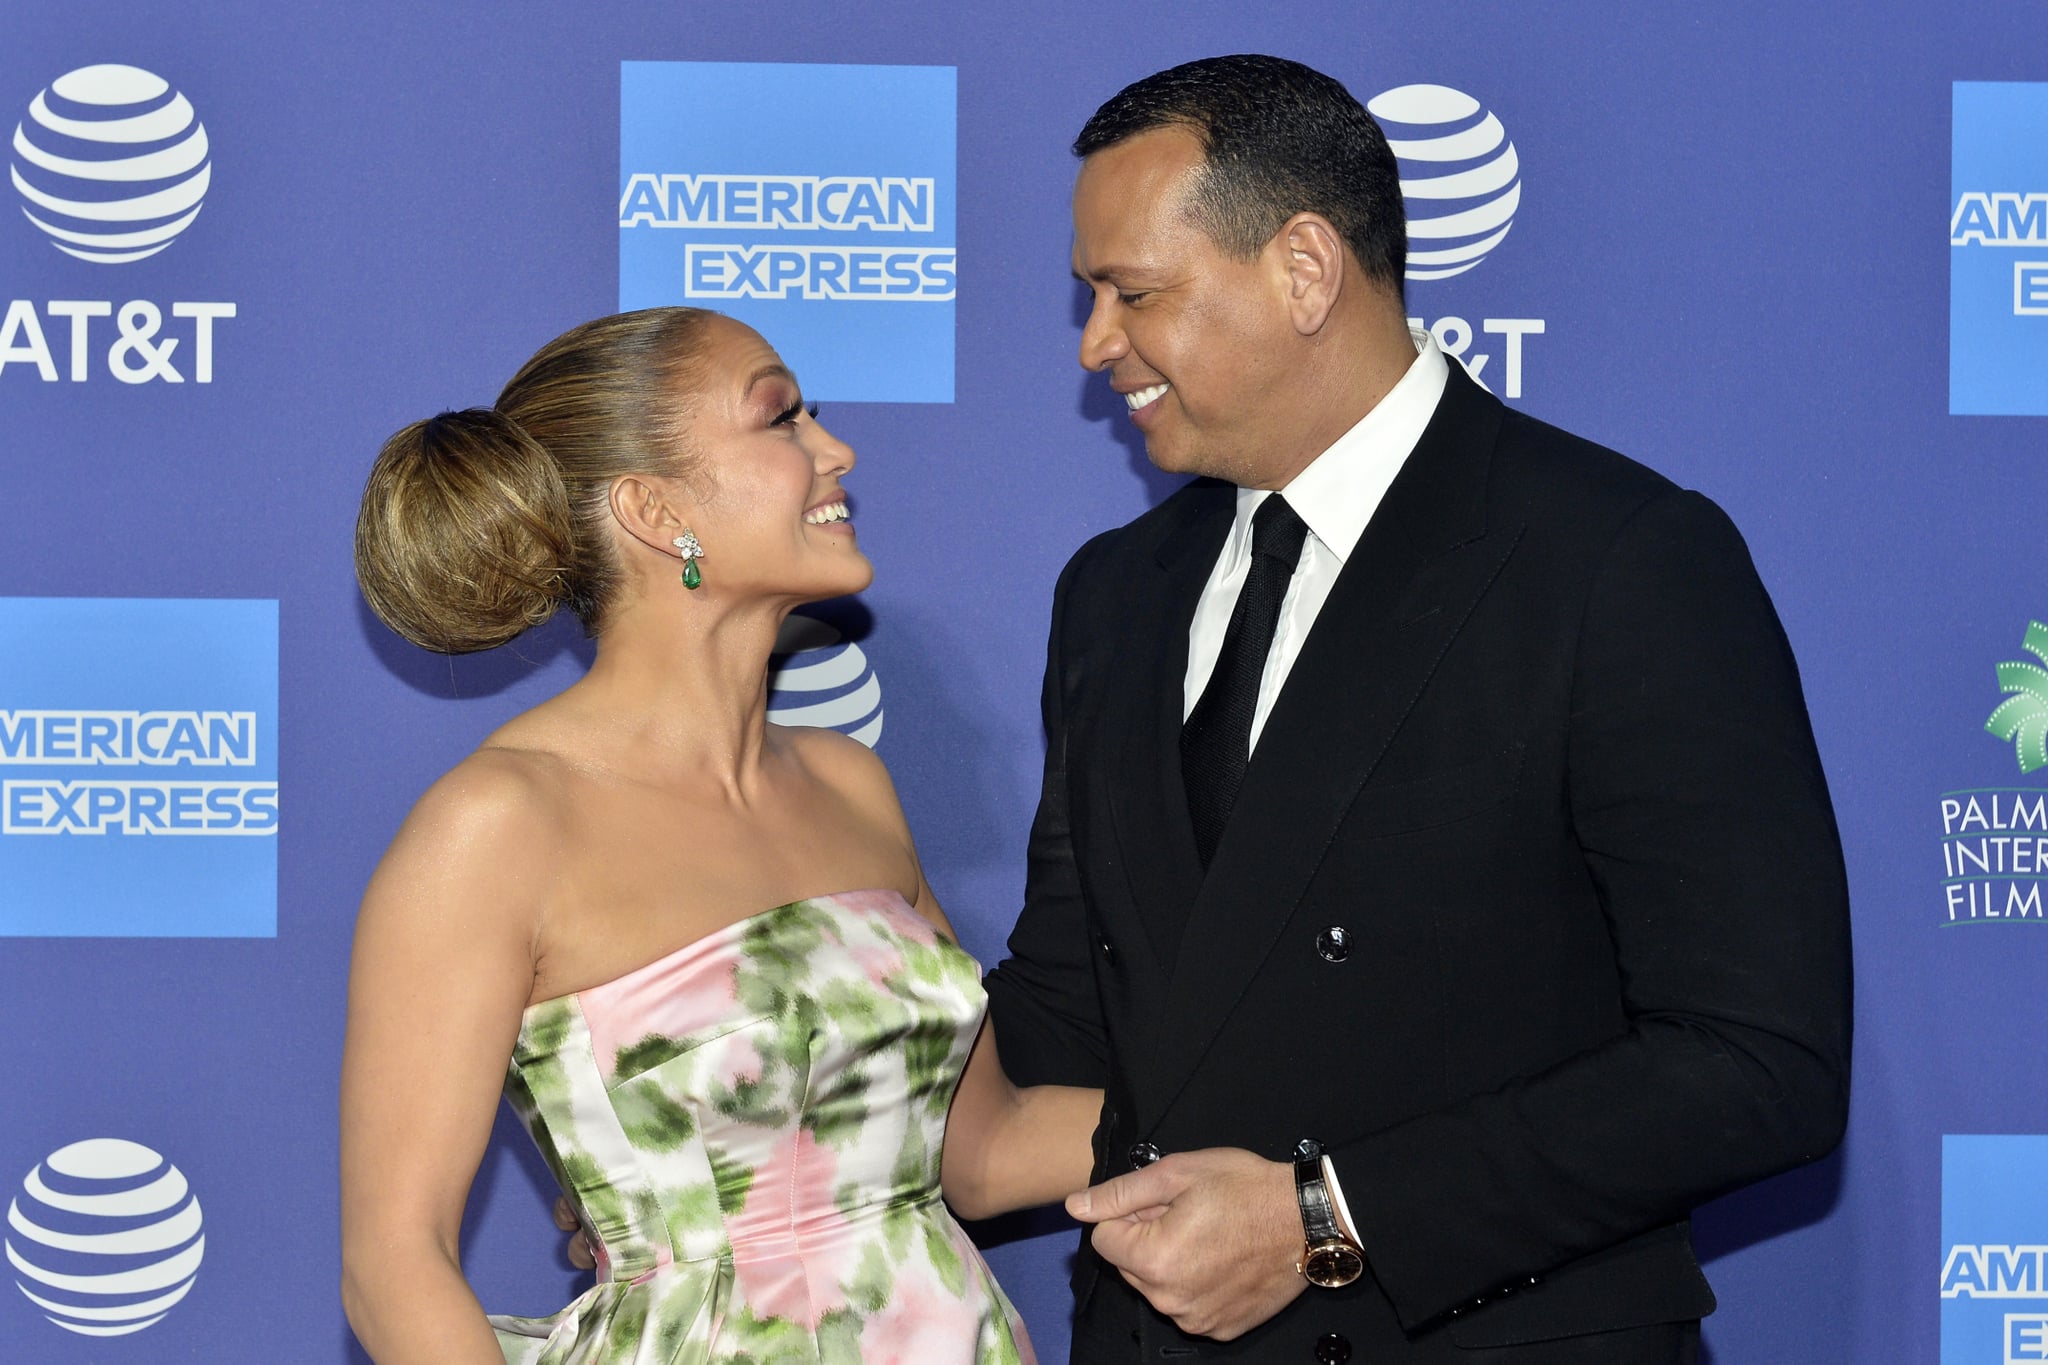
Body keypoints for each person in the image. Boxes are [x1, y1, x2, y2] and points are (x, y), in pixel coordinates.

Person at [980, 55, 1853, 1364]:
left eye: (1134, 292)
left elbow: (1757, 1061)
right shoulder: (1114, 595)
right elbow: (1065, 1005)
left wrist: (1329, 1214)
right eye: (1089, 295)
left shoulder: (1612, 557)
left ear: (1305, 270)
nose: (1096, 341)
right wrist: (721, 1183)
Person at [338, 307, 1099, 1364]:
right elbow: (394, 1262)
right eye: (781, 419)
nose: (836, 451)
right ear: (653, 509)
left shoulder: (850, 783)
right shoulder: (498, 828)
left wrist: (1314, 1132)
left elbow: (983, 1151)